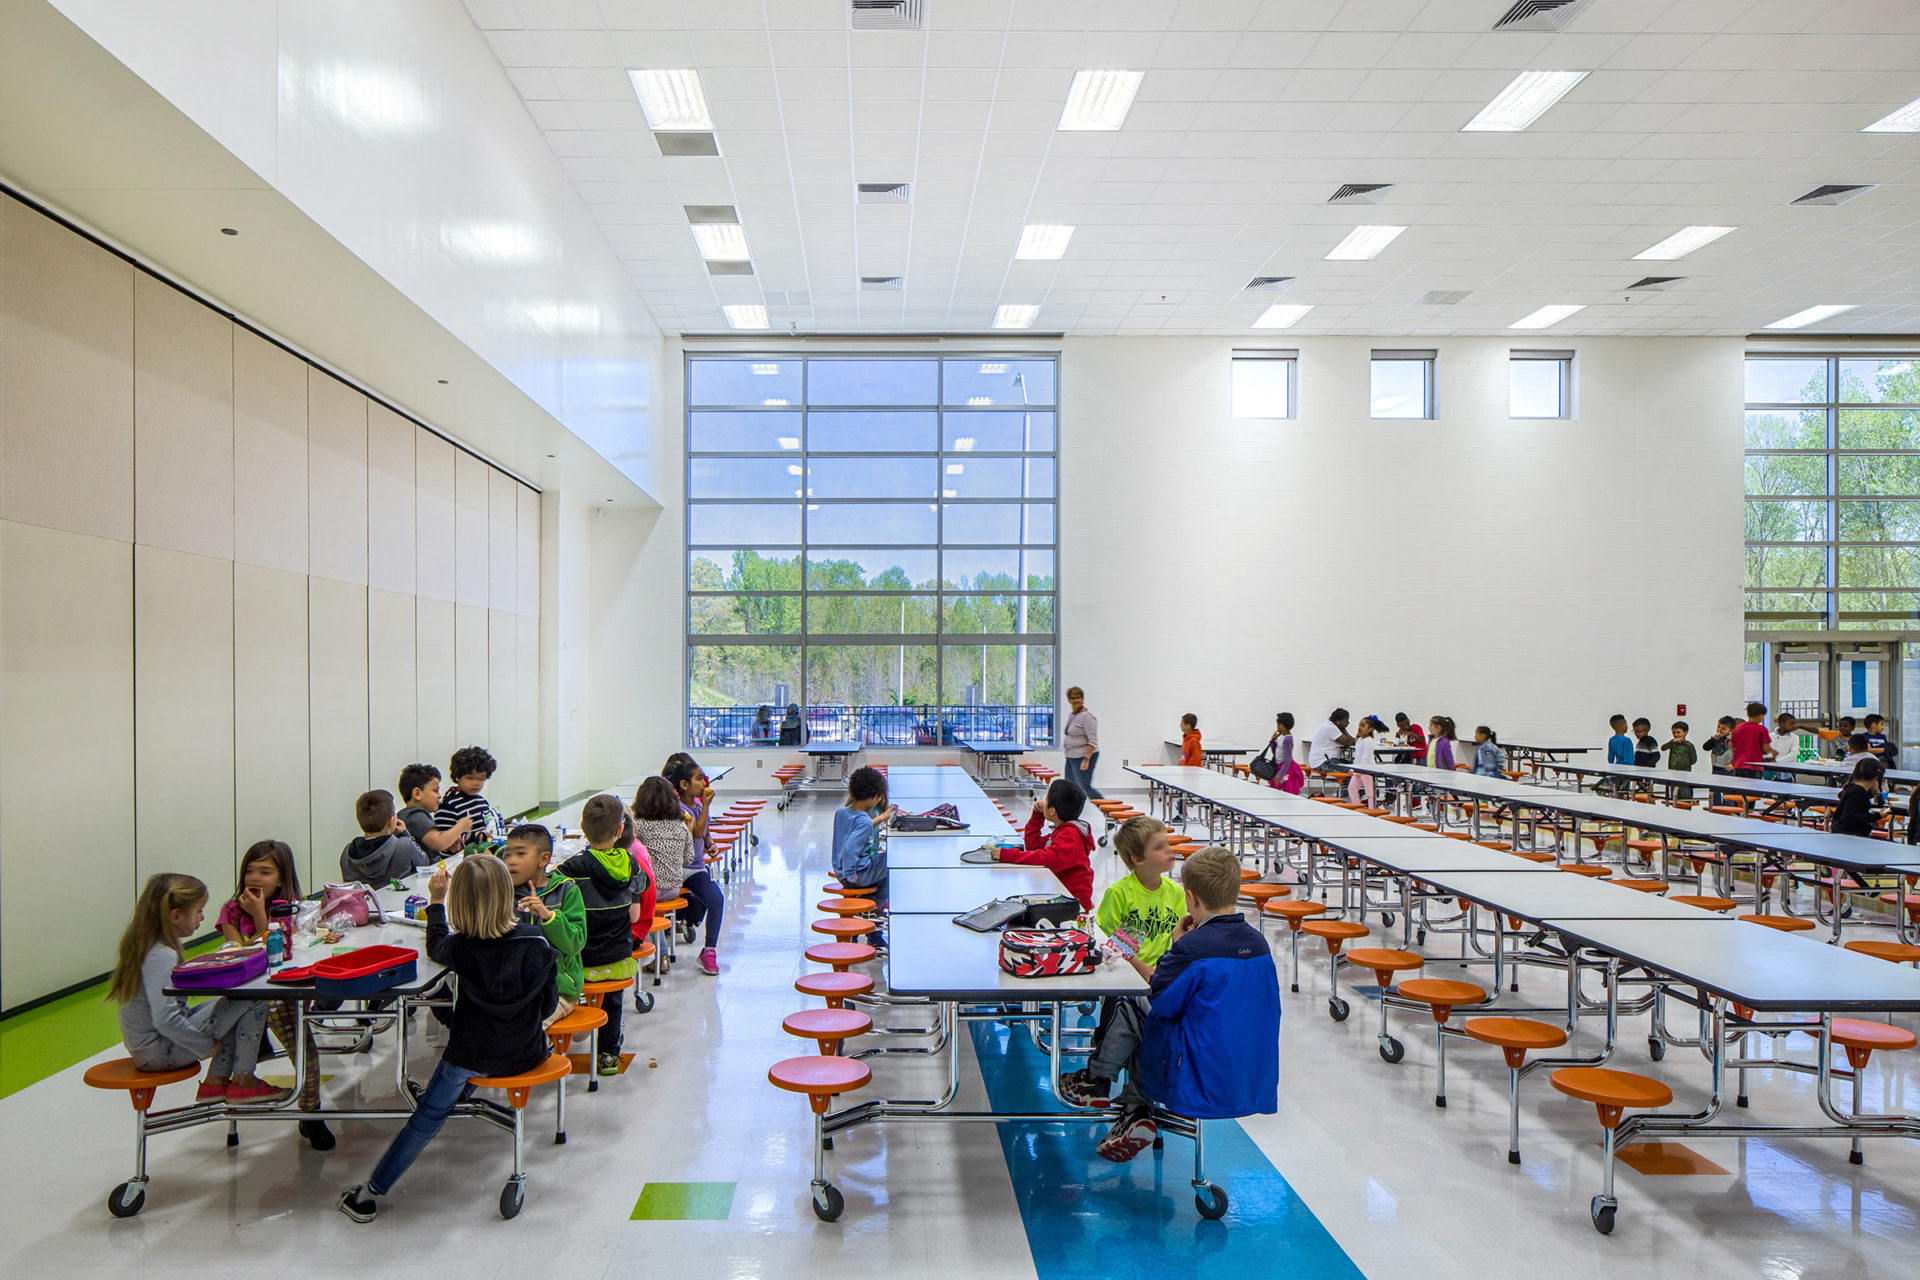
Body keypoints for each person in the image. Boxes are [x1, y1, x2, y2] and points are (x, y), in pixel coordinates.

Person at [338, 855, 556, 1223]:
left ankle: (369, 1194)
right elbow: (548, 1004)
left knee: (426, 1119)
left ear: (460, 903)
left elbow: (435, 945)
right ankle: (455, 1095)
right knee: (467, 1072)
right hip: (526, 1052)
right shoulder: (536, 942)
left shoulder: (462, 948)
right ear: (508, 894)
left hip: (469, 1053)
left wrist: (435, 904)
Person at [1084, 846, 1280, 1164]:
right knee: (1151, 1020)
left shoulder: (1191, 948)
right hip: (1250, 1073)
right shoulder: (1258, 943)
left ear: (1191, 899)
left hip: (1196, 1073)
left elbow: (1162, 999)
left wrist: (1176, 945)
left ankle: (1097, 1082)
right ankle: (1134, 1110)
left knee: (1131, 1003)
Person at [111, 873, 287, 1107]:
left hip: (151, 1050)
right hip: (160, 1053)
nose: (202, 918)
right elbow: (165, 1019)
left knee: (234, 1000)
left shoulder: (148, 945)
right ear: (176, 915)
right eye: (199, 911)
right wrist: (203, 1047)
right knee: (253, 997)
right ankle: (243, 1081)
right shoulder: (161, 955)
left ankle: (217, 1081)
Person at [1056, 816, 1187, 1110]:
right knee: (1117, 1006)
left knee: (1141, 1023)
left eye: (1168, 844)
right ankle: (1104, 1084)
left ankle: (1121, 1092)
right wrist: (1139, 970)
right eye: (1160, 847)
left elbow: (1178, 944)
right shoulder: (1120, 894)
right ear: (1137, 859)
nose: (1170, 852)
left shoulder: (1176, 893)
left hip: (1159, 981)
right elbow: (1106, 943)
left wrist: (1160, 974)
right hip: (1126, 975)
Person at [217, 840, 330, 1144]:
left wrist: (259, 917)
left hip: (281, 993)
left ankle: (311, 1113)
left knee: (305, 1054)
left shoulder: (291, 908)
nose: (255, 878)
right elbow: (236, 952)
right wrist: (252, 918)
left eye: (265, 872)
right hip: (245, 996)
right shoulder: (230, 910)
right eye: (250, 871)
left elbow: (279, 948)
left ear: (281, 878)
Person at [556, 795, 647, 1074]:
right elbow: (641, 887)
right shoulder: (629, 863)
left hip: (580, 955)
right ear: (620, 831)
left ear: (583, 828)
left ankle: (558, 1042)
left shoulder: (573, 867)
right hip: (617, 953)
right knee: (614, 999)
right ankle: (608, 1055)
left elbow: (553, 888)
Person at [501, 824, 584, 1026]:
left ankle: (541, 1051)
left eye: (520, 854)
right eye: (507, 854)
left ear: (544, 859)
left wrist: (548, 917)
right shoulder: (504, 892)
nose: (511, 861)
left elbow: (575, 943)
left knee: (529, 1027)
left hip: (558, 990)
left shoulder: (566, 891)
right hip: (516, 991)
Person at [996, 777, 1096, 910]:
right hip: (1061, 895)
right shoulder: (1062, 831)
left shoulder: (1070, 835)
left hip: (1073, 904)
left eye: (1047, 800)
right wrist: (1037, 817)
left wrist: (1011, 855)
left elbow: (1047, 858)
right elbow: (1033, 847)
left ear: (1053, 811)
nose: (1043, 803)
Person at [668, 759, 725, 975]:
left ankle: (709, 950)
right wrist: (707, 806)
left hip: (696, 869)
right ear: (684, 785)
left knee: (716, 899)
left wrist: (710, 844)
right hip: (680, 868)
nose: (703, 783)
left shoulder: (698, 805)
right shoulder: (679, 809)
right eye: (698, 779)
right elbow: (697, 832)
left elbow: (705, 833)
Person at [832, 767, 894, 950]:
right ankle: (874, 910)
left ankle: (864, 919)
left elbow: (841, 842)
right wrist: (852, 875)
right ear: (876, 797)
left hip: (841, 872)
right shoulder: (864, 821)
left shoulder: (841, 812)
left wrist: (845, 873)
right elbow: (851, 847)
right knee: (892, 863)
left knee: (881, 867)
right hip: (856, 873)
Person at [340, 789, 432, 885]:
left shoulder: (347, 853)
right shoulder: (405, 845)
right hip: (401, 899)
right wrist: (404, 834)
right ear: (391, 821)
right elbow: (424, 863)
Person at [396, 763, 471, 854]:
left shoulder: (406, 815)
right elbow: (439, 843)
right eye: (435, 790)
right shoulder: (416, 816)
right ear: (417, 793)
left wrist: (449, 844)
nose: (439, 796)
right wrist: (461, 827)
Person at [436, 746, 499, 845]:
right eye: (470, 778)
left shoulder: (482, 802)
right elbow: (443, 842)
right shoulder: (449, 806)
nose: (476, 783)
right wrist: (477, 836)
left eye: (481, 779)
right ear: (457, 777)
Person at [1062, 686, 1102, 800]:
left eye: (1078, 697)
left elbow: (1093, 742)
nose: (1076, 700)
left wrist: (1086, 759)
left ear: (1083, 699)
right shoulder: (1073, 715)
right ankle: (1071, 812)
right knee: (1070, 787)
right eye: (1073, 698)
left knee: (1085, 787)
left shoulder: (1087, 717)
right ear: (1069, 700)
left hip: (1083, 757)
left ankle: (1107, 811)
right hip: (1071, 756)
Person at [1833, 758, 1886, 838]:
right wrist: (1877, 816)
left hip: (1842, 832)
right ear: (1877, 778)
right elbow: (1850, 817)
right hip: (1851, 835)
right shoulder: (1858, 792)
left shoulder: (1852, 788)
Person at [1259, 712, 1304, 793]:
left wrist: (1280, 775)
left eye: (1278, 725)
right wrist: (1273, 740)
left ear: (1282, 725)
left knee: (1287, 790)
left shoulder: (1288, 739)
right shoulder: (1281, 737)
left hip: (1287, 770)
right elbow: (1276, 753)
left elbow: (1288, 759)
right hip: (1280, 767)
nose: (1277, 727)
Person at [1349, 715, 1385, 806]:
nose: (1360, 728)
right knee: (1351, 789)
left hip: (1367, 770)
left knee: (1369, 793)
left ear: (1370, 729)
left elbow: (1365, 758)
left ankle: (1371, 809)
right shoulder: (1359, 740)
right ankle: (1357, 807)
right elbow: (1357, 757)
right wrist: (1353, 769)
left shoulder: (1369, 741)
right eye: (1359, 725)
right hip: (1358, 770)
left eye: (1363, 726)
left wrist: (1358, 770)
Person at [1731, 702, 1773, 776]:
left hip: (1739, 764)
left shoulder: (1738, 728)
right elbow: (1766, 748)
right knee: (1754, 786)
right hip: (1755, 765)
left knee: (1739, 786)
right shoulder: (1762, 729)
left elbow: (1731, 745)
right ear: (1761, 716)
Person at [1663, 721, 1698, 801]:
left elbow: (1693, 759)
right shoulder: (1672, 743)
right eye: (1674, 732)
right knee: (1674, 794)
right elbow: (1663, 748)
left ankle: (1686, 809)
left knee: (1685, 793)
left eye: (1678, 732)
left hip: (1685, 773)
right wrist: (1671, 742)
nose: (1676, 735)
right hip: (1673, 773)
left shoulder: (1689, 745)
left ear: (1685, 732)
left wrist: (1685, 765)